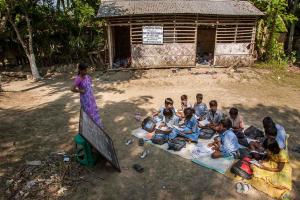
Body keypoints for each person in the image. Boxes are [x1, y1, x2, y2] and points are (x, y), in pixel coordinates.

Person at [71, 63, 103, 128]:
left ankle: (97, 127)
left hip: (91, 98)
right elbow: (72, 89)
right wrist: (80, 91)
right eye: (84, 70)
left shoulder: (87, 77)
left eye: (86, 70)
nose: (86, 72)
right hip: (85, 100)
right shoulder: (78, 79)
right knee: (88, 114)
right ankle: (90, 129)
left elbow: (90, 83)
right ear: (80, 70)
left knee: (94, 112)